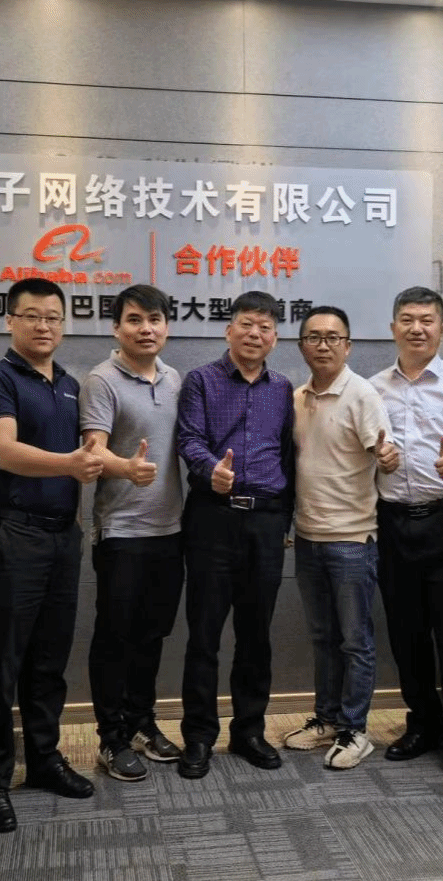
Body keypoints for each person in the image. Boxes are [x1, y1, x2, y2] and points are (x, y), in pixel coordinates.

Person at [0, 277, 104, 834]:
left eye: (52, 317)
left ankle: (44, 760)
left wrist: (116, 468)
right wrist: (70, 464)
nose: (43, 326)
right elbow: (3, 452)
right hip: (12, 534)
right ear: (10, 321)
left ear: (63, 325)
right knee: (0, 662)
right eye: (31, 316)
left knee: (49, 660)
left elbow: (87, 456)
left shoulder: (69, 385)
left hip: (61, 537)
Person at [370, 285, 443, 792]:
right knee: (407, 632)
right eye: (407, 319)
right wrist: (376, 459)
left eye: (426, 320)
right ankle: (423, 722)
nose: (416, 328)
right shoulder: (372, 388)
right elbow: (357, 451)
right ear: (393, 327)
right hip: (393, 522)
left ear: (441, 328)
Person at [175, 291, 295, 779]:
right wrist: (212, 471)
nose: (254, 334)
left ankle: (249, 730)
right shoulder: (201, 380)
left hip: (265, 521)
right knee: (204, 634)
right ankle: (199, 736)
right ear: (229, 330)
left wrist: (284, 519)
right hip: (213, 518)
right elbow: (188, 439)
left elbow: (287, 453)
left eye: (265, 327)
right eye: (246, 324)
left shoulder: (283, 388)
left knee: (256, 634)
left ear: (275, 338)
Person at [283, 306, 399, 769]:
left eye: (333, 337)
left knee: (355, 641)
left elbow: (384, 449)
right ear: (302, 347)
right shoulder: (297, 398)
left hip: (352, 540)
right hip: (308, 537)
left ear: (348, 346)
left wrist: (388, 456)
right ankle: (328, 719)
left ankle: (356, 729)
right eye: (314, 337)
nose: (324, 345)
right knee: (322, 637)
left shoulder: (362, 394)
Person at [79, 285, 185, 781]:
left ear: (166, 326)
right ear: (117, 327)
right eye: (135, 320)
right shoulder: (102, 380)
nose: (146, 329)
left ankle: (142, 722)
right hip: (121, 531)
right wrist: (125, 467)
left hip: (170, 528)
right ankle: (111, 736)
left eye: (155, 319)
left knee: (151, 634)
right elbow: (92, 450)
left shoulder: (173, 378)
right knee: (115, 637)